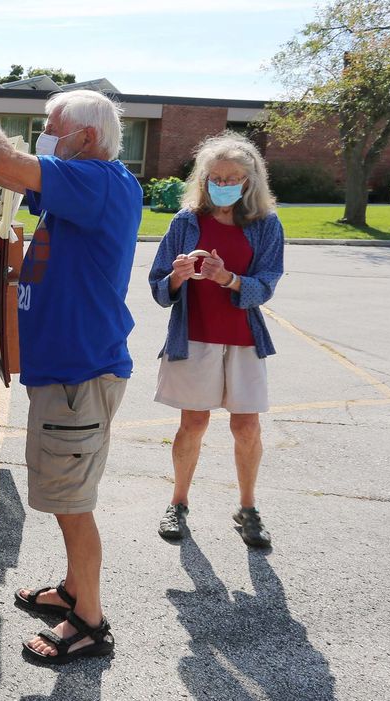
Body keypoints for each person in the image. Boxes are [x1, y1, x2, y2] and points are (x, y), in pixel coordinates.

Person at [0, 66, 141, 665]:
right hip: (62, 373)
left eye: (51, 129)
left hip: (78, 377)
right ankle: (71, 590)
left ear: (85, 138)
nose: (44, 136)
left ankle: (89, 621)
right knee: (65, 493)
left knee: (71, 502)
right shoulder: (81, 187)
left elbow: (3, 165)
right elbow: (15, 180)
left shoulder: (100, 181)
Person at [148, 132, 284, 548]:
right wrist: (177, 277)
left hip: (243, 339)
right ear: (203, 178)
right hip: (194, 337)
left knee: (247, 427)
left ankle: (247, 508)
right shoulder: (185, 221)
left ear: (250, 181)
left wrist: (228, 279)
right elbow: (157, 287)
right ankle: (178, 503)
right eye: (215, 176)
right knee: (193, 423)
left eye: (233, 176)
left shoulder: (265, 225)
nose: (223, 182)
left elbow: (268, 283)